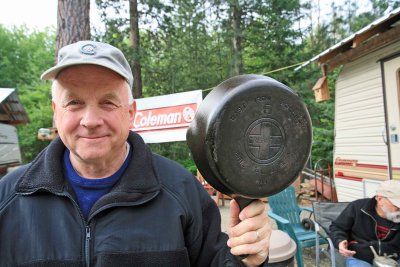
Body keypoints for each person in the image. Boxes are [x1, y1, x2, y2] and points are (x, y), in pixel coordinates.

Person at [0, 40, 271, 267]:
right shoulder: (8, 198)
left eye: (107, 102)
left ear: (131, 113)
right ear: (55, 112)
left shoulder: (181, 190)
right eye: (74, 103)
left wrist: (248, 259)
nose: (91, 120)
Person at [330, 179, 400, 267]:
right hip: (361, 256)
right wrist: (340, 241)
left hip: (393, 257)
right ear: (380, 199)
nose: (399, 209)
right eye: (397, 206)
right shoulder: (357, 207)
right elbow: (337, 227)